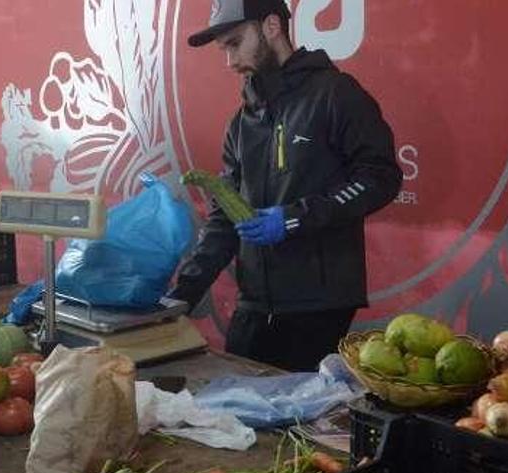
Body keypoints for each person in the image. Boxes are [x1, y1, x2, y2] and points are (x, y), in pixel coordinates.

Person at [169, 0, 403, 372]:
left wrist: (294, 219)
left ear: (272, 26)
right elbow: (222, 220)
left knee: (295, 424)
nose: (229, 62)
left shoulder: (335, 94)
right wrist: (179, 298)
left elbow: (381, 177)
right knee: (237, 412)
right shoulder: (241, 123)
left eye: (235, 43)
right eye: (223, 49)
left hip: (318, 307)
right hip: (255, 304)